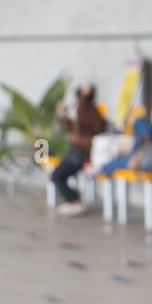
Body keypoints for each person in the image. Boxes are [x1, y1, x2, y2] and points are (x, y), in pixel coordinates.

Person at [50, 84, 106, 216]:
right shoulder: (83, 115)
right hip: (75, 151)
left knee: (57, 175)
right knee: (57, 175)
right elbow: (71, 127)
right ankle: (74, 201)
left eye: (79, 97)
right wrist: (63, 115)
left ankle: (75, 201)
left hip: (81, 153)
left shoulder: (89, 112)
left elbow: (83, 110)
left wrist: (83, 94)